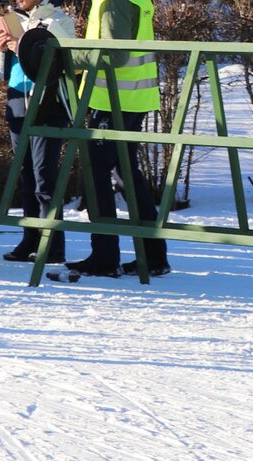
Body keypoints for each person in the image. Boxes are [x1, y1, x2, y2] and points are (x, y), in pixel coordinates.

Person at [64, 0, 167, 278]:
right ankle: (153, 256)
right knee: (126, 173)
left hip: (113, 99)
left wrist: (68, 55)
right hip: (133, 97)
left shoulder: (113, 2)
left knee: (96, 171)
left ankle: (105, 257)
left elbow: (115, 55)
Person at [0, 0, 75, 264]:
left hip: (48, 105)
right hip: (17, 103)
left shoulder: (58, 21)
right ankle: (30, 238)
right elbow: (1, 73)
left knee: (44, 176)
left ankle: (52, 245)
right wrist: (1, 49)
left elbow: (66, 64)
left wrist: (24, 47)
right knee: (25, 175)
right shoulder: (14, 19)